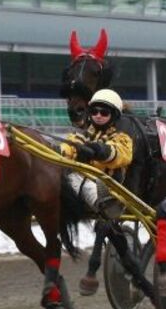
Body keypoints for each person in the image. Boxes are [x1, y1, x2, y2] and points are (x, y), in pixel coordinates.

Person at [57, 88, 134, 219]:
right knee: (62, 172)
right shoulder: (84, 134)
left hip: (109, 184)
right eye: (94, 111)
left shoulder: (122, 137)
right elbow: (71, 145)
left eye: (104, 113)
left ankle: (105, 205)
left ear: (114, 115)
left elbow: (122, 154)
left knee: (73, 176)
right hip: (86, 180)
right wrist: (59, 151)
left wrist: (98, 150)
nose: (98, 115)